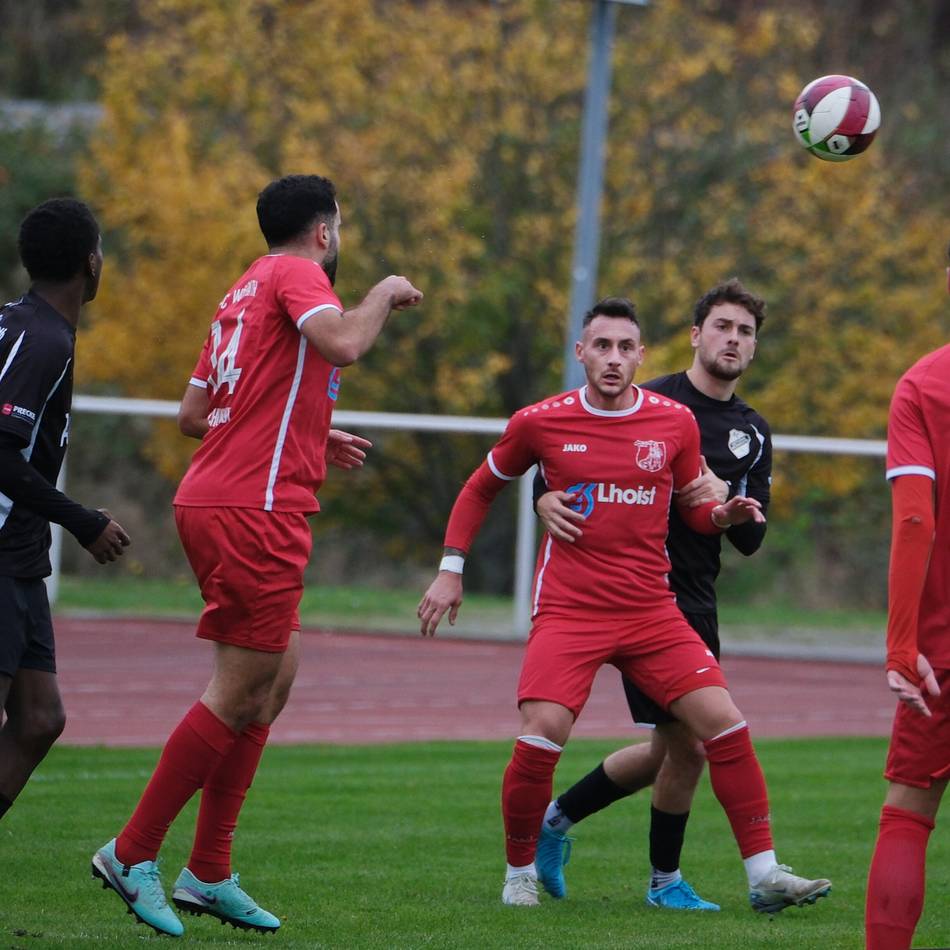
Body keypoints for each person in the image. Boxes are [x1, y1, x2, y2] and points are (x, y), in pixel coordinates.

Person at [418, 296, 829, 911]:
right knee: (542, 735)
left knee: (725, 725)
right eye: (601, 346)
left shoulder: (674, 423)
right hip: (570, 612)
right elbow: (482, 487)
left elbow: (691, 506)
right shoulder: (540, 420)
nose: (613, 358)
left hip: (652, 611)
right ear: (580, 352)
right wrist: (451, 570)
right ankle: (519, 872)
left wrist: (720, 512)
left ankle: (763, 874)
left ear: (641, 354)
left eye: (625, 347)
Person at [92, 174, 422, 937]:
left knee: (272, 684)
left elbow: (192, 414)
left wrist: (306, 432)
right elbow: (344, 340)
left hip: (223, 497)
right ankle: (131, 851)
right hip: (252, 510)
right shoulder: (301, 274)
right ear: (324, 231)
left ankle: (209, 870)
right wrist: (383, 293)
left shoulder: (243, 286)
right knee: (239, 688)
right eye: (337, 225)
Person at [533, 279, 772, 911]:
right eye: (722, 327)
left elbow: (751, 537)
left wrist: (730, 506)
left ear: (754, 347)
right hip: (639, 593)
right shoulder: (651, 399)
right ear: (697, 335)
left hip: (697, 597)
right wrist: (542, 497)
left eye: (745, 332)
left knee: (675, 748)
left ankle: (555, 820)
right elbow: (555, 452)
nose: (733, 340)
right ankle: (664, 881)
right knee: (691, 746)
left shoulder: (752, 430)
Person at [0, 198, 131, 822]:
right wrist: (82, 521)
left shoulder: (23, 323)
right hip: (1, 551)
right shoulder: (44, 340)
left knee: (39, 718)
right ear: (90, 261)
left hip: (20, 555)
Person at [864, 247, 950, 950]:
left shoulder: (924, 385)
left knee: (909, 814)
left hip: (940, 658)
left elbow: (915, 520)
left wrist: (901, 646)